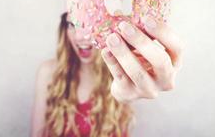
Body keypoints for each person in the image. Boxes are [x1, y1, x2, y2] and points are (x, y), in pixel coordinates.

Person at [31, 11, 184, 137]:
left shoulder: (121, 75)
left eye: (87, 23)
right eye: (72, 24)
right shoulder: (49, 73)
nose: (79, 36)